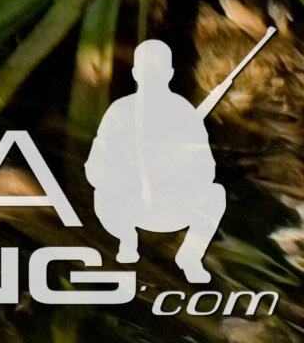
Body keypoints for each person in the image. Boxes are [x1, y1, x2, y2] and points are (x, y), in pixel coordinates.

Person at [87, 35, 236, 282]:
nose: (151, 76)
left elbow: (207, 171)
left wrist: (176, 166)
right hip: (130, 207)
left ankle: (190, 256)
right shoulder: (120, 111)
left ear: (169, 73)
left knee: (215, 194)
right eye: (146, 69)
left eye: (157, 70)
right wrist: (127, 171)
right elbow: (94, 169)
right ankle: (126, 242)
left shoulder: (183, 112)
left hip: (174, 205)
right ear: (136, 73)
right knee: (102, 196)